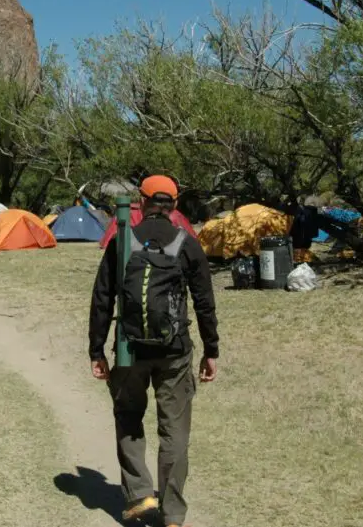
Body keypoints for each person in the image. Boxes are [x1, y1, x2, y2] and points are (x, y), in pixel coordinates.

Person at [89, 175, 219, 527]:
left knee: (128, 416)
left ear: (141, 203)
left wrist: (96, 350)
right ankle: (173, 513)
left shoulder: (122, 240)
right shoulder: (187, 242)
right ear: (174, 205)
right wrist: (211, 350)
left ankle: (139, 493)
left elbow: (102, 298)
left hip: (130, 350)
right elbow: (204, 302)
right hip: (174, 352)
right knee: (174, 431)